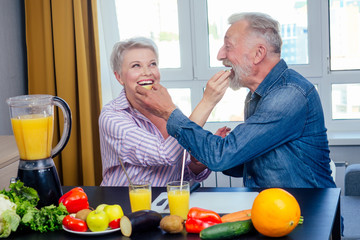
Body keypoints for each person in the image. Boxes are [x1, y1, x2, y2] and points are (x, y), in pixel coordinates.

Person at [134, 12, 337, 188]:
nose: (220, 55)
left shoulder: (288, 95)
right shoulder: (256, 96)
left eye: (228, 46)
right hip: (272, 210)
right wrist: (206, 152)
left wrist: (169, 111)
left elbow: (222, 156)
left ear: (258, 53)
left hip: (308, 215)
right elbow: (255, 162)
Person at [99, 37, 230, 186]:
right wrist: (207, 102)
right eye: (136, 66)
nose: (147, 72)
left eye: (152, 64)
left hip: (164, 203)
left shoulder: (167, 107)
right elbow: (166, 155)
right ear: (119, 77)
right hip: (123, 204)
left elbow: (180, 173)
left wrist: (198, 163)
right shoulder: (112, 116)